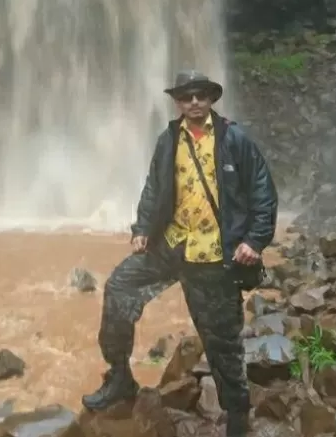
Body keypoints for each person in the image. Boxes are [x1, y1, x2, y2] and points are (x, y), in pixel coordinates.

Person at [82, 70, 278, 437]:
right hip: (171, 245)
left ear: (210, 100)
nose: (193, 103)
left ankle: (237, 414)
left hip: (215, 256)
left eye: (200, 95)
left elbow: (262, 191)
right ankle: (120, 376)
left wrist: (255, 239)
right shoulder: (169, 139)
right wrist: (142, 229)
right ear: (177, 101)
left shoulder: (234, 138)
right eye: (186, 96)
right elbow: (155, 187)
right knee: (119, 288)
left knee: (222, 339)